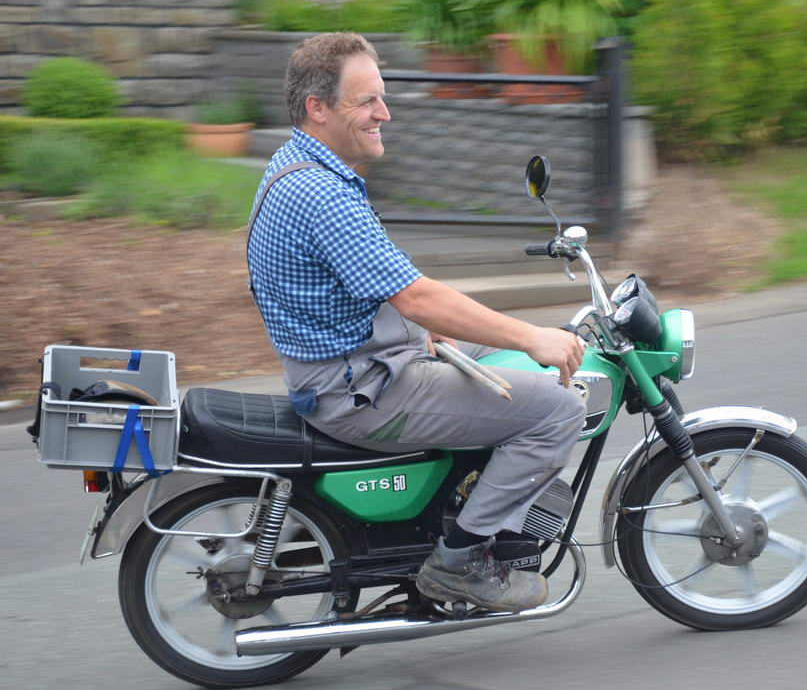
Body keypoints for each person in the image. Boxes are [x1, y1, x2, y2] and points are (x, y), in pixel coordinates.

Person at [246, 32, 586, 613]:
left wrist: (421, 327)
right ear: (317, 108)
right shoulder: (319, 194)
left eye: (381, 97)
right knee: (559, 409)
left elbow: (368, 287)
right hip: (361, 388)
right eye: (366, 101)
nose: (384, 113)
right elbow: (415, 296)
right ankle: (460, 562)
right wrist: (533, 336)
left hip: (361, 362)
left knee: (501, 362)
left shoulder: (297, 166)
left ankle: (466, 502)